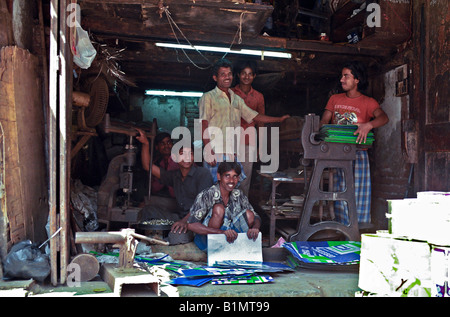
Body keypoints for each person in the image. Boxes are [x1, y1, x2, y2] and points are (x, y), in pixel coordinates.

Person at [198, 58, 290, 187]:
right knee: (211, 189)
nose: (227, 77)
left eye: (229, 74)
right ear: (215, 78)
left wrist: (278, 119)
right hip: (215, 150)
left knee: (230, 189)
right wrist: (208, 150)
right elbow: (203, 124)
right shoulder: (208, 97)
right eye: (223, 74)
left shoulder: (236, 98)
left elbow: (255, 116)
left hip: (231, 152)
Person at [320, 61, 389, 225]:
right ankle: (340, 229)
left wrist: (368, 125)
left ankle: (356, 233)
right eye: (342, 76)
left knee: (358, 195)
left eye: (346, 76)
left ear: (357, 80)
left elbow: (384, 118)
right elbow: (323, 121)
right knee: (338, 194)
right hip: (337, 154)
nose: (342, 80)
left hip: (358, 154)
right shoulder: (334, 99)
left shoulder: (368, 102)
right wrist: (329, 133)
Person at [136, 129, 213, 244]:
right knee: (148, 210)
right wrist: (146, 143)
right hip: (180, 217)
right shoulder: (175, 176)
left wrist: (184, 221)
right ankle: (156, 238)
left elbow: (202, 206)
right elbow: (148, 166)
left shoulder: (203, 174)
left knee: (176, 237)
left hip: (196, 222)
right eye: (182, 154)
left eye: (190, 154)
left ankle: (170, 238)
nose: (187, 158)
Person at [187, 161, 261, 252]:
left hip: (230, 238)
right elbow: (191, 225)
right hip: (207, 241)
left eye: (235, 177)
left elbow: (256, 216)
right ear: (219, 177)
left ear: (238, 178)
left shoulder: (238, 194)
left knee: (249, 215)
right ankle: (214, 250)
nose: (231, 180)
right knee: (219, 209)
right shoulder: (207, 194)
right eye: (227, 176)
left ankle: (230, 248)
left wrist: (255, 228)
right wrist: (222, 233)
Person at [231, 60, 265, 196]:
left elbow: (261, 123)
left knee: (245, 178)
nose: (247, 77)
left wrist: (259, 147)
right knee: (228, 176)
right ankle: (225, 210)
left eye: (250, 74)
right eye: (244, 73)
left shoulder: (258, 97)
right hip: (231, 141)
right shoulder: (230, 93)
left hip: (249, 142)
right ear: (238, 75)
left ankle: (240, 210)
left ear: (254, 76)